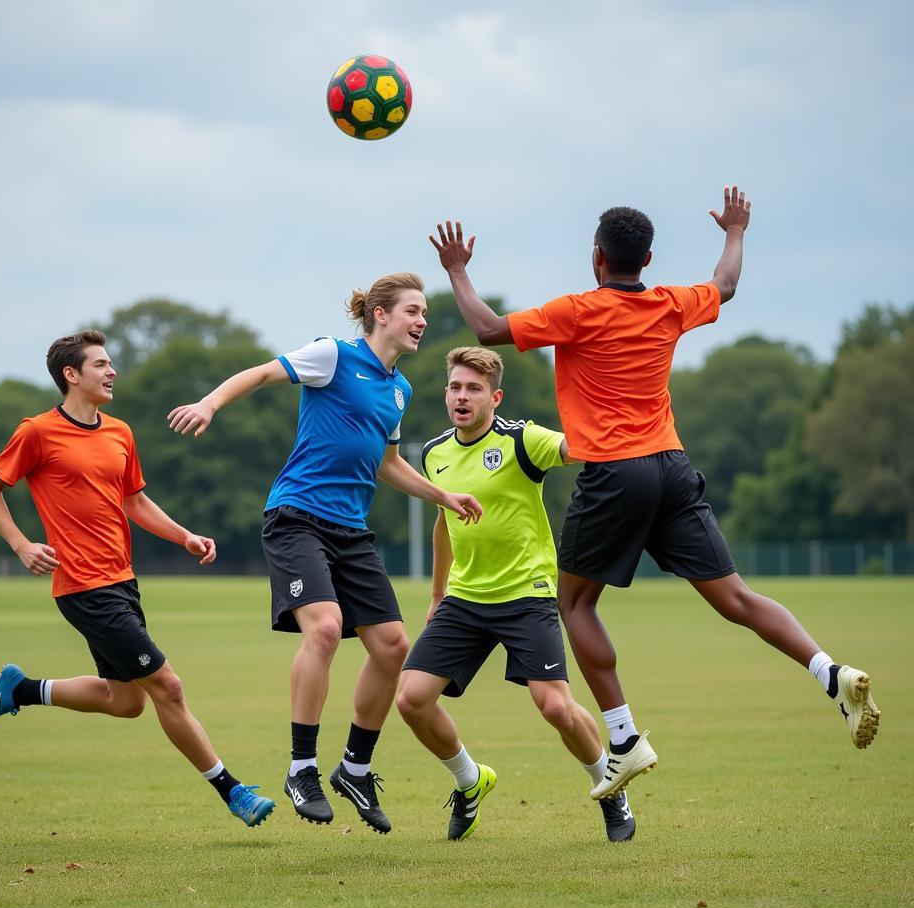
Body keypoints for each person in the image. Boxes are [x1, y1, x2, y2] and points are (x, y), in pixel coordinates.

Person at [428, 187, 879, 799]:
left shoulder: (580, 310)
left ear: (597, 258)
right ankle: (832, 672)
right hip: (672, 465)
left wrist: (456, 270)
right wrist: (736, 230)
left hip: (616, 471)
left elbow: (485, 327)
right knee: (737, 598)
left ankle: (624, 741)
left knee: (575, 604)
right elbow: (725, 284)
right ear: (646, 259)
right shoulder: (670, 302)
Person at [169, 273, 482, 834]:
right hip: (296, 518)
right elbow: (264, 372)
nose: (422, 322)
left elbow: (386, 464)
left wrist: (443, 495)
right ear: (381, 315)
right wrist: (211, 402)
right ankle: (302, 767)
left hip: (350, 530)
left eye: (425, 314)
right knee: (325, 628)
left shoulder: (399, 391)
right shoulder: (332, 356)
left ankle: (355, 768)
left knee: (392, 647)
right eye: (413, 310)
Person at [0, 330, 275, 829]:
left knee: (127, 702)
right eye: (101, 365)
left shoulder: (119, 432)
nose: (112, 372)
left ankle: (20, 690)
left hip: (122, 582)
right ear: (71, 375)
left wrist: (185, 536)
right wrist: (22, 545)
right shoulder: (37, 432)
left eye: (111, 364)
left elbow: (134, 502)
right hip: (82, 588)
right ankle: (232, 790)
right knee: (168, 687)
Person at [396, 347, 635, 842]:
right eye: (456, 388)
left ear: (494, 397)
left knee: (555, 707)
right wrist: (439, 593)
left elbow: (578, 449)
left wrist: (613, 419)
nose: (462, 397)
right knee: (412, 700)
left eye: (474, 389)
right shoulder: (436, 452)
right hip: (464, 598)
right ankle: (469, 780)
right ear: (446, 394)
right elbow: (444, 522)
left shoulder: (523, 439)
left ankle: (609, 787)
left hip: (527, 594)